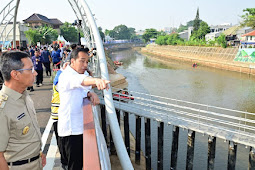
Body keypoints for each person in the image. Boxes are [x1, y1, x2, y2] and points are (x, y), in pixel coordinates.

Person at [58, 48, 110, 170]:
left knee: (77, 163)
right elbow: (81, 81)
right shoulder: (68, 76)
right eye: (82, 61)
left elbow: (81, 89)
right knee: (74, 166)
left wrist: (89, 94)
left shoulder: (76, 74)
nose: (85, 65)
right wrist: (96, 80)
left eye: (87, 62)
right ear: (72, 61)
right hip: (71, 131)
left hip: (76, 128)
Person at [0, 51, 46, 170]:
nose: (35, 73)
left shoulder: (24, 95)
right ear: (15, 74)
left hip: (36, 163)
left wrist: (38, 153)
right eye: (30, 70)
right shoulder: (3, 108)